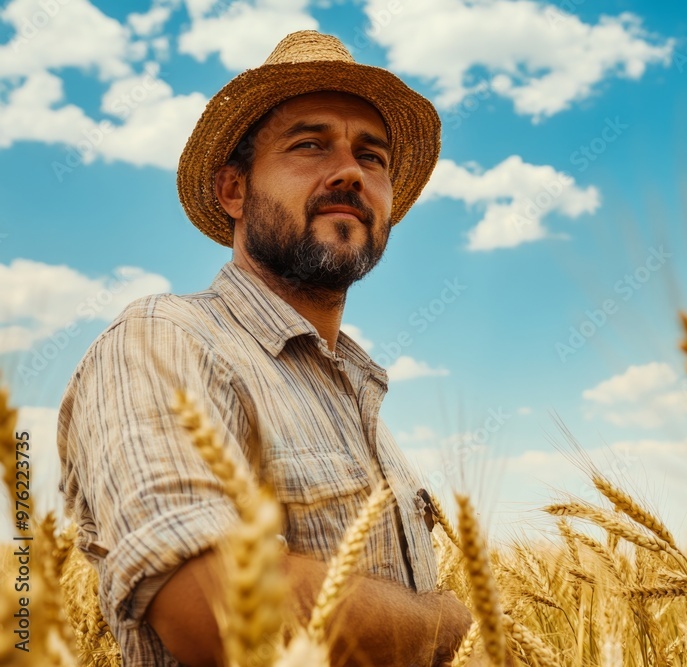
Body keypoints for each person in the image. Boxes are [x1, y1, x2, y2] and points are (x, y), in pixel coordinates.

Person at [57, 30, 473, 666]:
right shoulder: (164, 342)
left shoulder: (362, 400)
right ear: (233, 190)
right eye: (309, 145)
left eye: (373, 156)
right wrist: (443, 624)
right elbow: (220, 614)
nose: (349, 174)